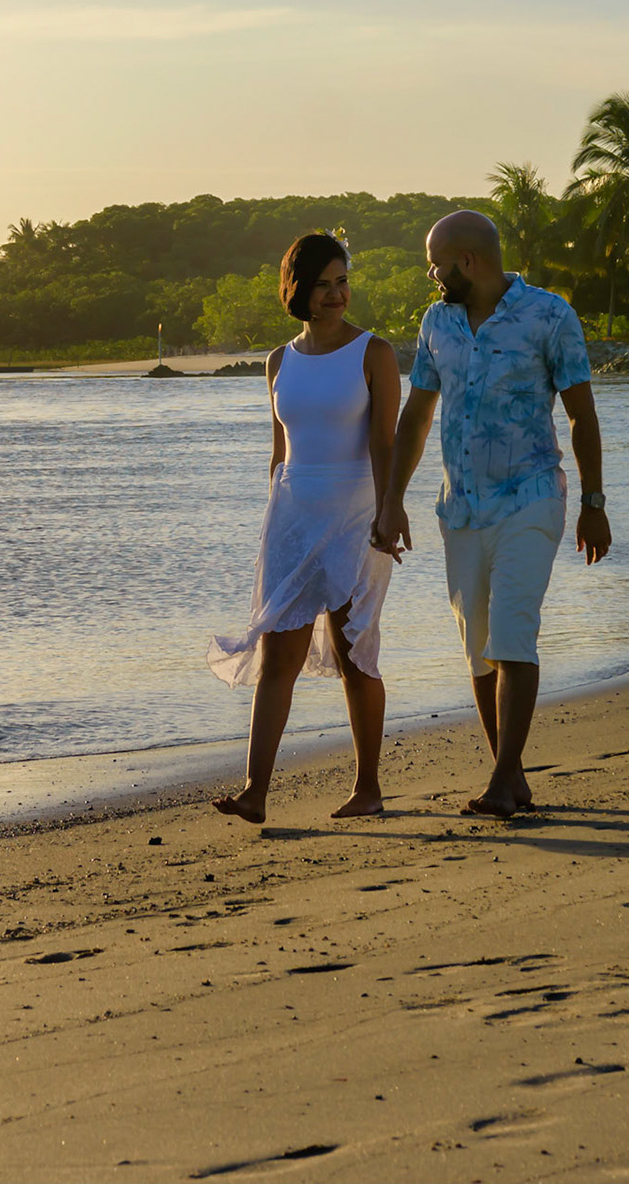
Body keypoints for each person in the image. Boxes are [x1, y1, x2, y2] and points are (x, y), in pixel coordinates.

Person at [372, 210, 611, 818]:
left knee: (511, 633)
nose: (432, 273)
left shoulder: (549, 314)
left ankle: (502, 783)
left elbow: (581, 414)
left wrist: (593, 503)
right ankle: (515, 774)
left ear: (467, 261)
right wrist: (392, 499)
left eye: (436, 262)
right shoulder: (436, 322)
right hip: (461, 508)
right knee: (478, 649)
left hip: (531, 497)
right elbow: (418, 416)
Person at [207, 231, 401, 824]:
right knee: (277, 658)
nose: (337, 294)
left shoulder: (374, 353)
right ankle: (255, 792)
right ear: (298, 290)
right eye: (323, 284)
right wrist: (273, 523)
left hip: (354, 517)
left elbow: (386, 442)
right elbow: (279, 454)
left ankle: (368, 787)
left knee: (353, 655)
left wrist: (392, 511)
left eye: (342, 282)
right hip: (292, 519)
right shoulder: (278, 361)